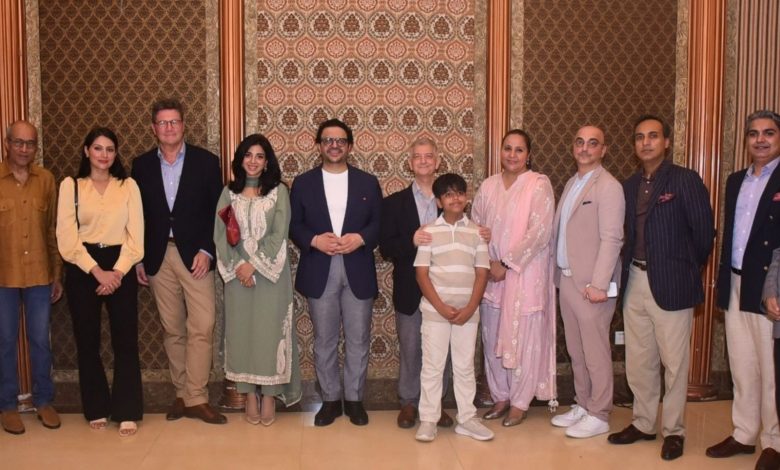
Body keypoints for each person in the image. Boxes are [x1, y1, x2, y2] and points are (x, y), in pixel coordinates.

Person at [607, 115, 713, 461]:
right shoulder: (629, 185)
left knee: (674, 363)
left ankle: (675, 431)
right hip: (635, 280)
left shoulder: (684, 179)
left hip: (673, 284)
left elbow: (704, 234)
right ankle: (643, 423)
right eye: (639, 137)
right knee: (639, 360)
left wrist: (685, 268)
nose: (646, 142)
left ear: (666, 141)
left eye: (653, 136)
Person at [131, 99, 225, 424]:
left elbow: (218, 212)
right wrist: (139, 259)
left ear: (184, 125)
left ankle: (197, 396)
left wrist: (207, 250)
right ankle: (182, 395)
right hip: (158, 256)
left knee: (203, 324)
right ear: (153, 128)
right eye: (162, 122)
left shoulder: (206, 162)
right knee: (172, 328)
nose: (169, 128)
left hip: (196, 256)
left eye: (174, 122)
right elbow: (137, 216)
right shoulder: (141, 166)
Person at [289, 118, 382, 426]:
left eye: (340, 140)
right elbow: (294, 225)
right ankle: (330, 399)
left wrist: (362, 238)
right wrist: (314, 240)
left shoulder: (368, 182)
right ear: (319, 145)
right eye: (328, 140)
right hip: (320, 267)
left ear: (349, 146)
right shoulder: (303, 183)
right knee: (324, 340)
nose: (334, 145)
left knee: (358, 339)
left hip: (358, 268)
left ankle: (354, 400)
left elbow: (378, 223)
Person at [56, 127, 144, 436]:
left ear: (116, 154)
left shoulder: (128, 186)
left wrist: (117, 272)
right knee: (87, 340)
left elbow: (137, 238)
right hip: (83, 266)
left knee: (125, 340)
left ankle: (127, 410)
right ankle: (95, 407)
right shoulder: (71, 186)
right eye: (97, 148)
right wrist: (97, 271)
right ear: (86, 151)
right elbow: (67, 239)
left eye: (109, 149)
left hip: (122, 263)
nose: (104, 155)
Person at [708, 110, 780, 470]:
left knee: (770, 369)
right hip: (736, 281)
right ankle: (744, 433)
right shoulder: (736, 180)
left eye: (769, 133)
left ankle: (774, 441)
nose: (760, 140)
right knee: (742, 364)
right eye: (753, 134)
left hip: (768, 286)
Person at [470, 129, 557, 428]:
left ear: (528, 155)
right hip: (492, 276)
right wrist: (488, 262)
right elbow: (476, 226)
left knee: (524, 338)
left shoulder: (538, 184)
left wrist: (506, 263)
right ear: (500, 151)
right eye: (508, 148)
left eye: (519, 150)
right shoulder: (488, 186)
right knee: (493, 335)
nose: (512, 155)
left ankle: (520, 402)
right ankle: (500, 397)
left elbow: (540, 232)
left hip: (524, 274)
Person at [214, 134, 301, 426]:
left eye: (259, 156)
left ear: (267, 162)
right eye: (248, 155)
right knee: (243, 335)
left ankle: (270, 396)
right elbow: (221, 235)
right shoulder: (229, 194)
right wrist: (240, 267)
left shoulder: (278, 192)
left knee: (269, 335)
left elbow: (279, 234)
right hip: (238, 278)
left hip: (270, 277)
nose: (253, 161)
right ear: (240, 160)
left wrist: (254, 265)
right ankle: (249, 395)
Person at [550, 126, 624, 438]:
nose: (584, 148)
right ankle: (583, 403)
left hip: (592, 286)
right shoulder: (572, 182)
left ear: (603, 150)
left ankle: (600, 412)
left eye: (592, 143)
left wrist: (598, 284)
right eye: (579, 142)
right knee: (576, 351)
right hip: (567, 280)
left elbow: (612, 239)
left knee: (595, 353)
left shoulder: (608, 187)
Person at [379, 137, 453, 429]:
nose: (423, 161)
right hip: (409, 289)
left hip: (444, 288)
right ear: (410, 164)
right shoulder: (393, 203)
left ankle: (436, 404)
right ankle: (409, 403)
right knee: (411, 348)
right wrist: (411, 239)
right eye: (418, 157)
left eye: (429, 156)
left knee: (441, 349)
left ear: (437, 161)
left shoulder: (452, 201)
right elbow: (386, 248)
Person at [413, 173, 491, 442]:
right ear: (439, 202)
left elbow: (482, 273)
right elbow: (422, 274)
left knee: (464, 366)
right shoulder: (428, 232)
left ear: (466, 197)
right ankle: (428, 419)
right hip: (435, 312)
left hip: (468, 314)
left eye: (459, 192)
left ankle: (467, 418)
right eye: (448, 194)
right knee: (433, 367)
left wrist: (470, 308)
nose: (455, 198)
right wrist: (441, 307)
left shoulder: (477, 233)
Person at [0, 121, 62, 435]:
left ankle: (44, 401)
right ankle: (7, 405)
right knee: (5, 342)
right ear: (7, 143)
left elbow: (52, 231)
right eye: (19, 143)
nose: (24, 149)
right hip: (4, 277)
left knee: (40, 341)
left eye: (30, 144)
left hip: (39, 274)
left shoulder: (46, 180)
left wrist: (56, 274)